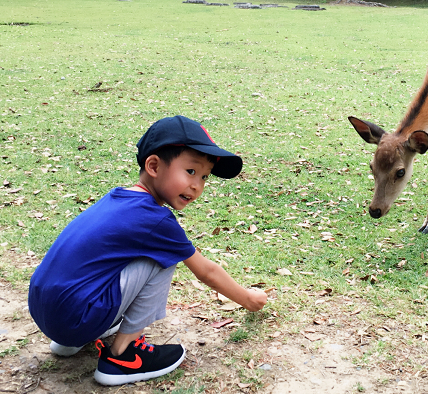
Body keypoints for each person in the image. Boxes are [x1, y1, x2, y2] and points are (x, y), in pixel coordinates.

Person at [28, 115, 267, 386]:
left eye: (204, 177)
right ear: (153, 165)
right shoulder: (156, 221)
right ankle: (124, 355)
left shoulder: (119, 197)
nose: (197, 185)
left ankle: (73, 339)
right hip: (74, 317)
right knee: (164, 258)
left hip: (46, 311)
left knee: (127, 257)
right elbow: (206, 272)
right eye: (190, 171)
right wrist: (250, 300)